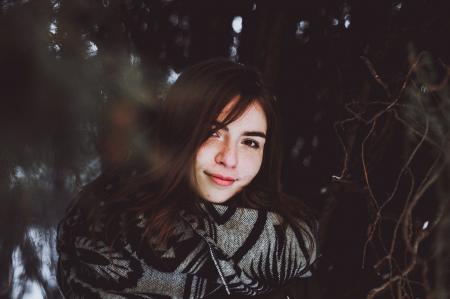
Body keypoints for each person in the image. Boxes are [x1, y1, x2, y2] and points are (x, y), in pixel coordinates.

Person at [56, 58, 317, 299]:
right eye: (213, 133)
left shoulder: (289, 241)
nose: (230, 158)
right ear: (178, 133)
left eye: (250, 142)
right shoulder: (100, 226)